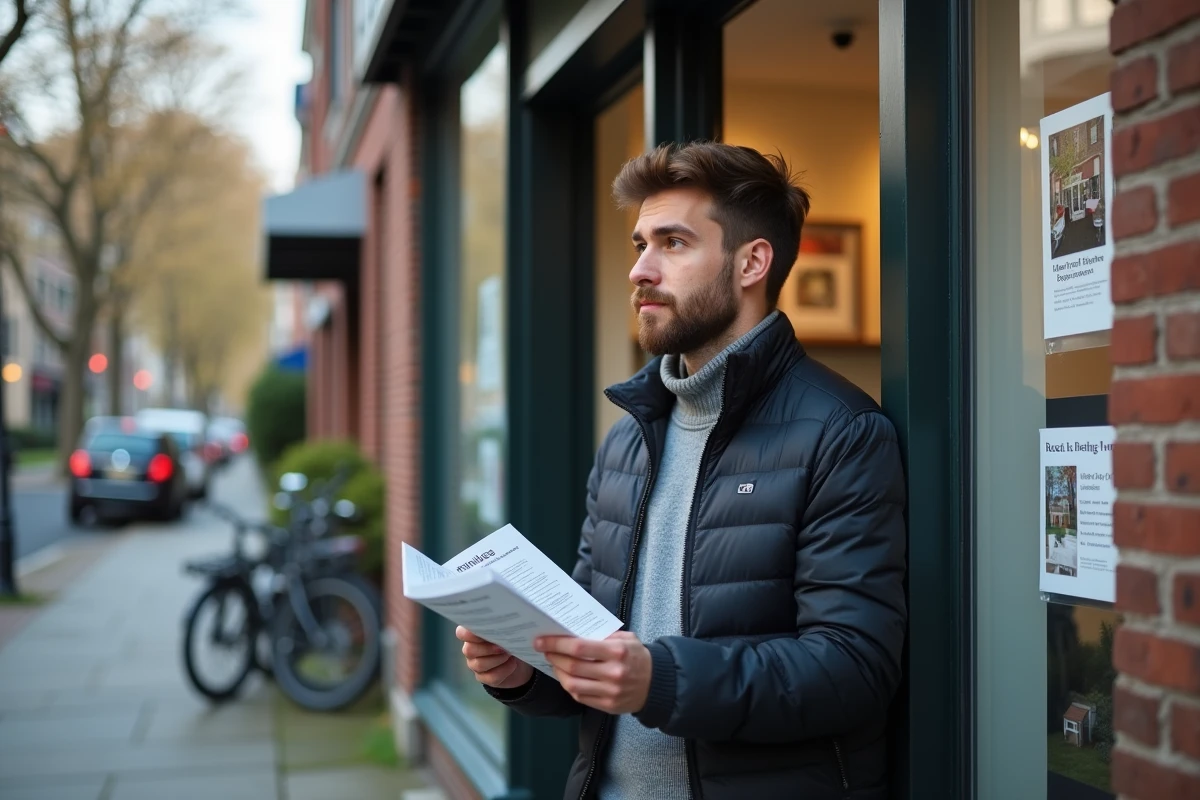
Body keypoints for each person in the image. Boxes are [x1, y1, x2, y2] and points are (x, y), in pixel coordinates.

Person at [456, 141, 908, 799]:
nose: (640, 269)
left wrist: (660, 679)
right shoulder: (627, 442)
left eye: (672, 243)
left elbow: (853, 671)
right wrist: (523, 671)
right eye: (640, 243)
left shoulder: (842, 432)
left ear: (752, 261)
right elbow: (595, 653)